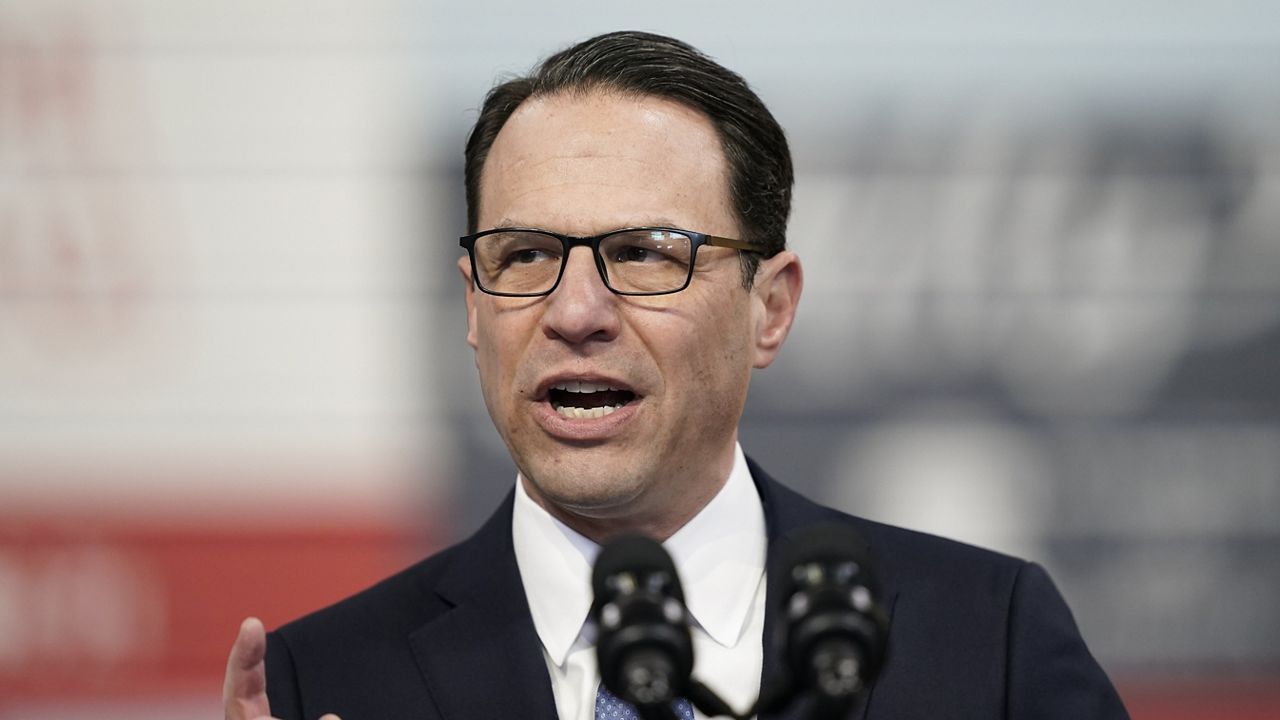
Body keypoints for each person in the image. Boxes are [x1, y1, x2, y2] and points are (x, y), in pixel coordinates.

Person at [223, 31, 1129, 720]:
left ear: (769, 307)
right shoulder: (328, 681)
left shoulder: (987, 641)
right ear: (472, 306)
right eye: (527, 254)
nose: (575, 311)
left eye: (646, 254)